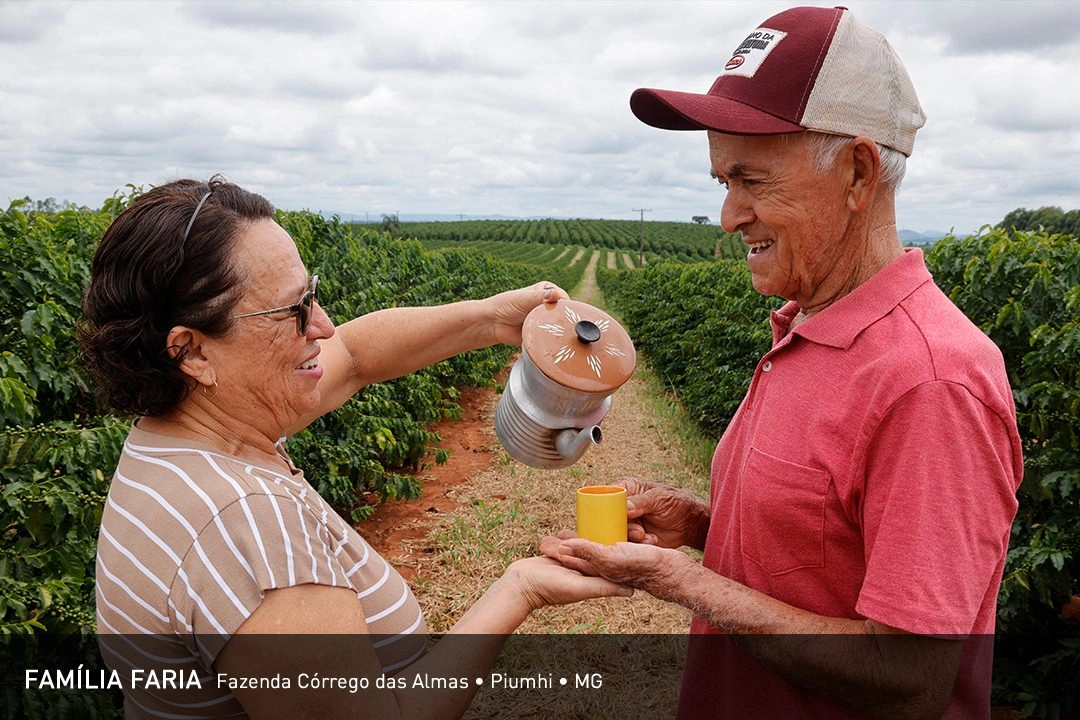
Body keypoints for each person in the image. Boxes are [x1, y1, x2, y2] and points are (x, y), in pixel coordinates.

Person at [541, 6, 1023, 719]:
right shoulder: (806, 327)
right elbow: (831, 545)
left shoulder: (931, 381)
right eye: (722, 183)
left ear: (858, 173)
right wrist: (707, 525)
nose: (731, 214)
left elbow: (910, 675)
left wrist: (681, 582)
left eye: (753, 180)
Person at [80, 176, 632, 719]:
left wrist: (492, 318)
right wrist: (521, 589)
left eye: (312, 296)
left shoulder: (177, 439)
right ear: (193, 352)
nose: (322, 325)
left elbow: (358, 354)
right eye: (292, 312)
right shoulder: (246, 520)